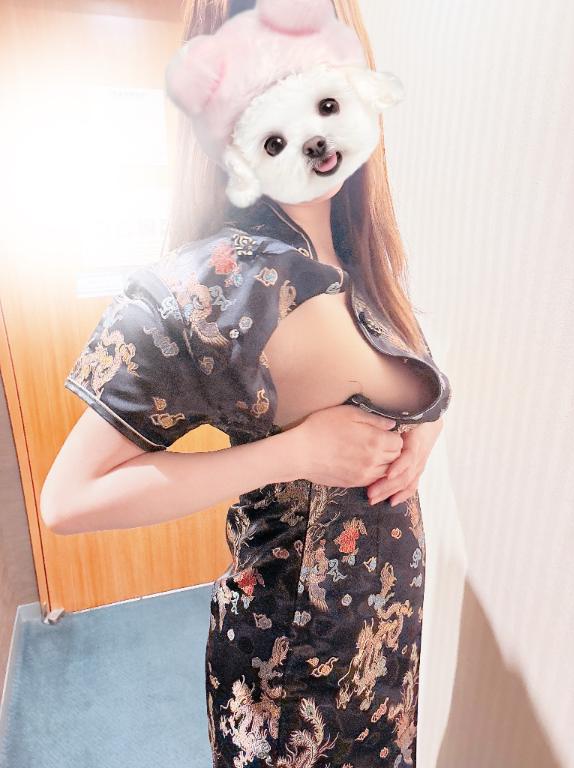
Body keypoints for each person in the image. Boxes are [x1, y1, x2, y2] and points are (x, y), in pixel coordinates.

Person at [41, 1, 452, 765]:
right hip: (293, 672)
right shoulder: (211, 283)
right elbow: (68, 499)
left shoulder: (359, 240)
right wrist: (293, 453)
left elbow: (406, 363)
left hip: (385, 635)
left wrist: (426, 420)